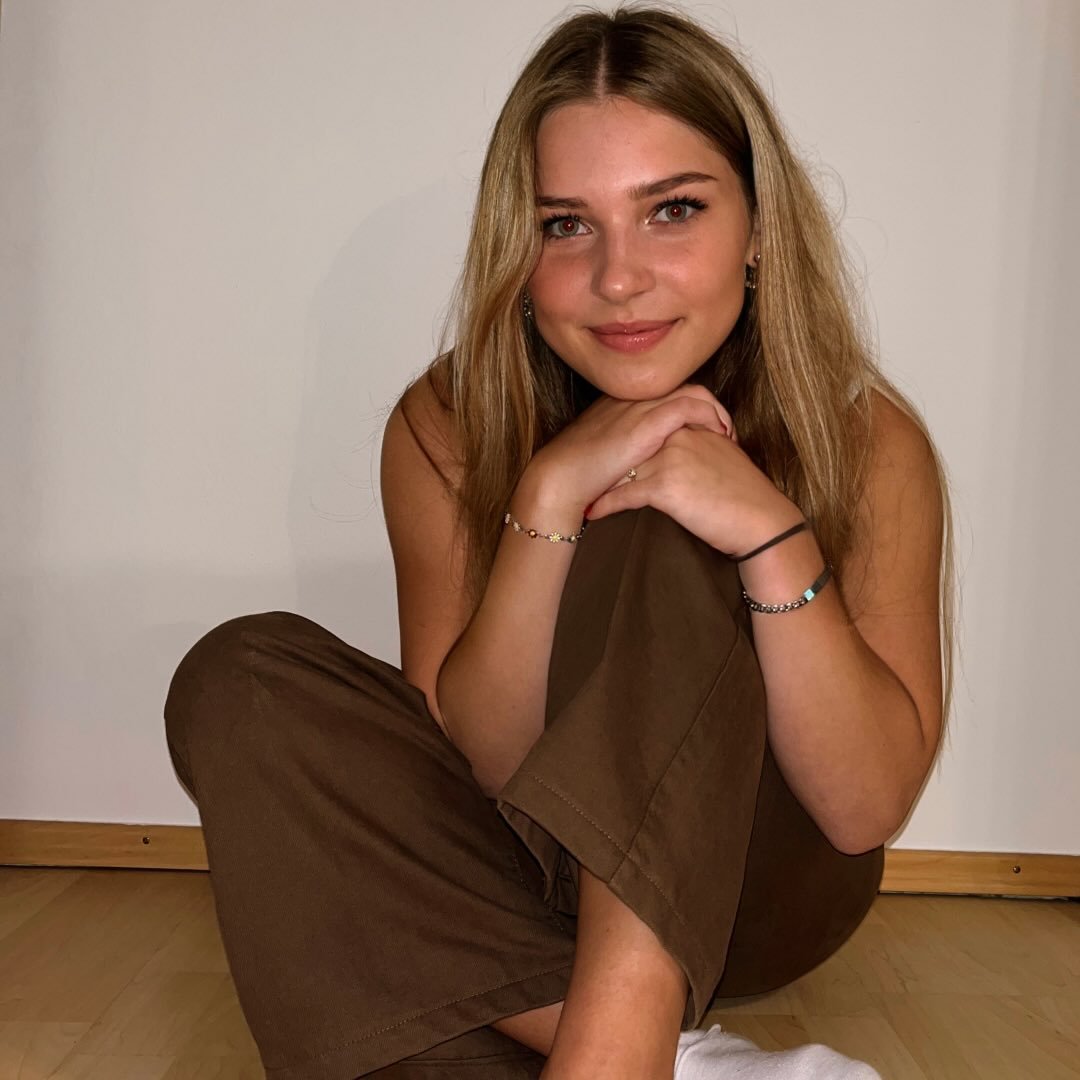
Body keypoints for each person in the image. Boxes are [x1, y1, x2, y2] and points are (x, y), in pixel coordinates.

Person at [164, 5, 953, 1079]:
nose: (618, 277)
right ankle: (685, 1061)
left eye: (673, 209)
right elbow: (478, 765)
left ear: (761, 227)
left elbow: (864, 810)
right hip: (526, 881)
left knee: (660, 521)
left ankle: (623, 1043)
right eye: (566, 225)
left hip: (755, 889)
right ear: (518, 249)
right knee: (237, 679)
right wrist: (548, 495)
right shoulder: (447, 424)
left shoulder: (868, 441)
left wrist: (770, 537)